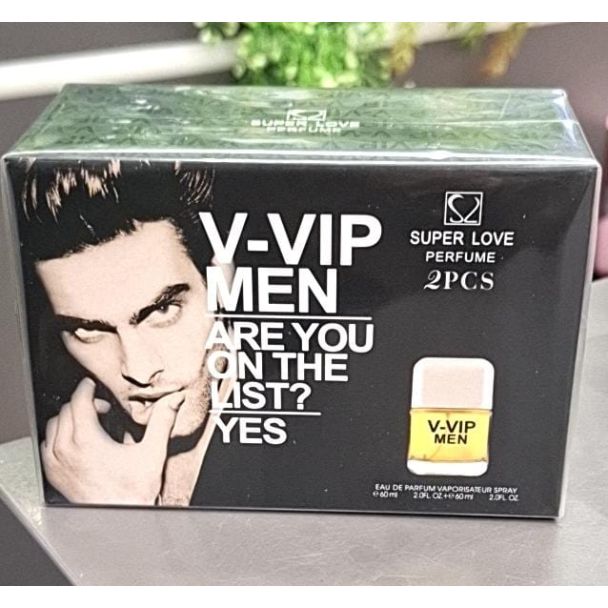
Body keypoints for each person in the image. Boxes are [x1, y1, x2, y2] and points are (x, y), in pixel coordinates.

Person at [13, 159, 233, 506]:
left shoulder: (314, 437)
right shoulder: (62, 461)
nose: (140, 371)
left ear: (224, 283)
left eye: (162, 310)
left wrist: (119, 516)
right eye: (88, 330)